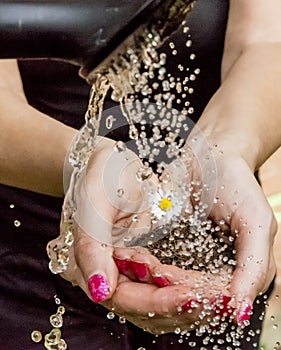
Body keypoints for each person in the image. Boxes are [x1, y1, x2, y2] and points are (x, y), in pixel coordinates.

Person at [0, 0, 280, 348]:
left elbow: (266, 42)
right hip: (27, 261)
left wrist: (222, 153)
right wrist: (84, 162)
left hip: (212, 240)